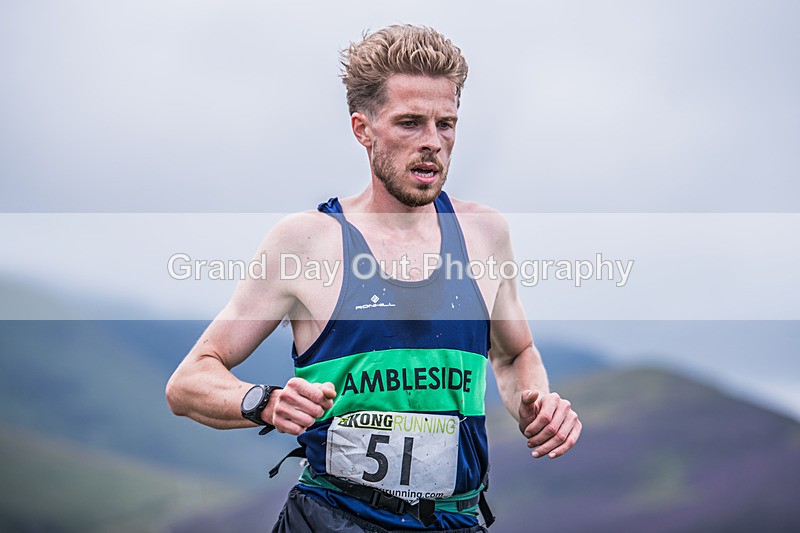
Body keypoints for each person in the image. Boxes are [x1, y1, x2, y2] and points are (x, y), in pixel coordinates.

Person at [166, 24, 581, 532]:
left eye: (445, 124)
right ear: (363, 129)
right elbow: (188, 382)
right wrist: (266, 402)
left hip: (455, 521)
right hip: (332, 518)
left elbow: (515, 353)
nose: (432, 143)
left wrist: (534, 406)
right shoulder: (306, 242)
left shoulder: (484, 233)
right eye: (409, 123)